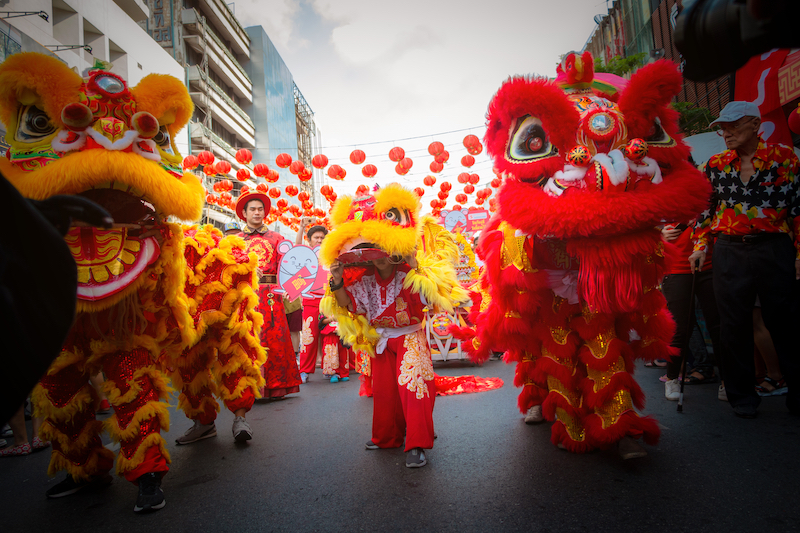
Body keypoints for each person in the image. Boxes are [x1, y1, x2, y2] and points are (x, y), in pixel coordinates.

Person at [690, 100, 800, 418]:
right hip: (730, 249)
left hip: (774, 247)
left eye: (734, 126)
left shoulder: (784, 158)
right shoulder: (715, 164)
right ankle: (742, 396)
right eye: (723, 129)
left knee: (785, 321)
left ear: (755, 124)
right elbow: (705, 211)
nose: (727, 133)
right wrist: (700, 246)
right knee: (733, 324)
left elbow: (797, 209)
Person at [237, 191, 301, 400]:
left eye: (260, 209)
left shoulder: (277, 238)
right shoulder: (236, 241)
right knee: (247, 340)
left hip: (272, 297)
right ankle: (247, 388)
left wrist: (293, 288)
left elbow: (290, 266)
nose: (257, 212)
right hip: (246, 297)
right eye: (252, 209)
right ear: (244, 213)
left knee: (274, 340)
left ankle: (276, 387)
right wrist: (245, 271)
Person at [661, 222, 722, 401]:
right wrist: (659, 234)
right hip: (676, 267)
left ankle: (729, 382)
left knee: (718, 326)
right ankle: (672, 378)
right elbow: (643, 221)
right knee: (679, 326)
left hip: (709, 264)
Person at [296, 218, 329, 383]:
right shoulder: (305, 254)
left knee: (330, 335)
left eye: (322, 237)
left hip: (328, 301)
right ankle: (304, 370)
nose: (320, 240)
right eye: (316, 237)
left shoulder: (330, 255)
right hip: (310, 300)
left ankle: (331, 368)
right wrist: (301, 227)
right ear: (309, 240)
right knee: (309, 336)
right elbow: (296, 247)